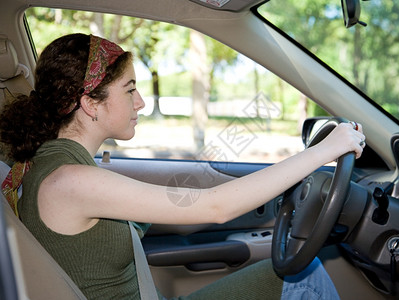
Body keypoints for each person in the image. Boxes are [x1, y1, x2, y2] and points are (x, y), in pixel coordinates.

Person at [0, 33, 365, 299]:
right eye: (129, 89)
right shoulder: (71, 181)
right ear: (90, 104)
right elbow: (215, 207)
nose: (141, 102)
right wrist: (322, 152)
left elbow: (187, 203)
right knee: (304, 275)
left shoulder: (47, 162)